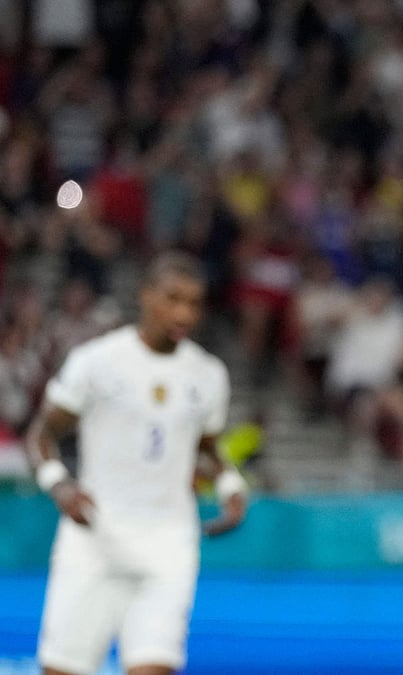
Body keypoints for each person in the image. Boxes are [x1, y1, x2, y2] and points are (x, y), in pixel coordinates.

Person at [24, 251, 248, 675]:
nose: (183, 311)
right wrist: (59, 484)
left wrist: (230, 486)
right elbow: (41, 434)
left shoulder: (208, 374)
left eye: (194, 302)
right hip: (94, 537)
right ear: (147, 296)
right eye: (173, 298)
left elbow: (206, 447)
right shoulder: (97, 361)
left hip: (168, 545)